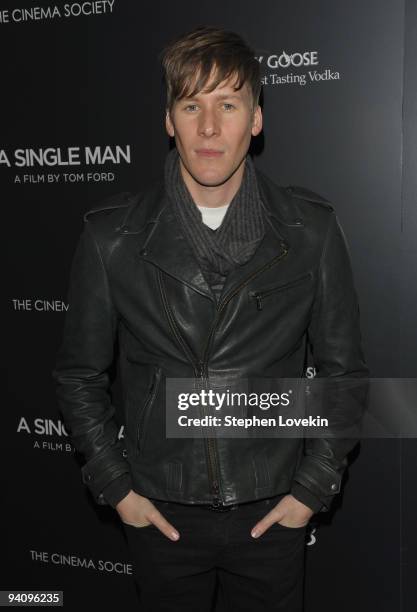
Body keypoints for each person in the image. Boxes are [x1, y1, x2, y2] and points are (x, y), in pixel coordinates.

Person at [52, 25, 369, 612]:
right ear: (169, 120)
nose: (208, 126)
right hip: (160, 513)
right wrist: (118, 488)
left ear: (256, 119)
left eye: (228, 104)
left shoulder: (311, 230)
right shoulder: (111, 237)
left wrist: (310, 490)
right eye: (191, 104)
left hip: (273, 511)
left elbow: (342, 372)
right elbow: (78, 376)